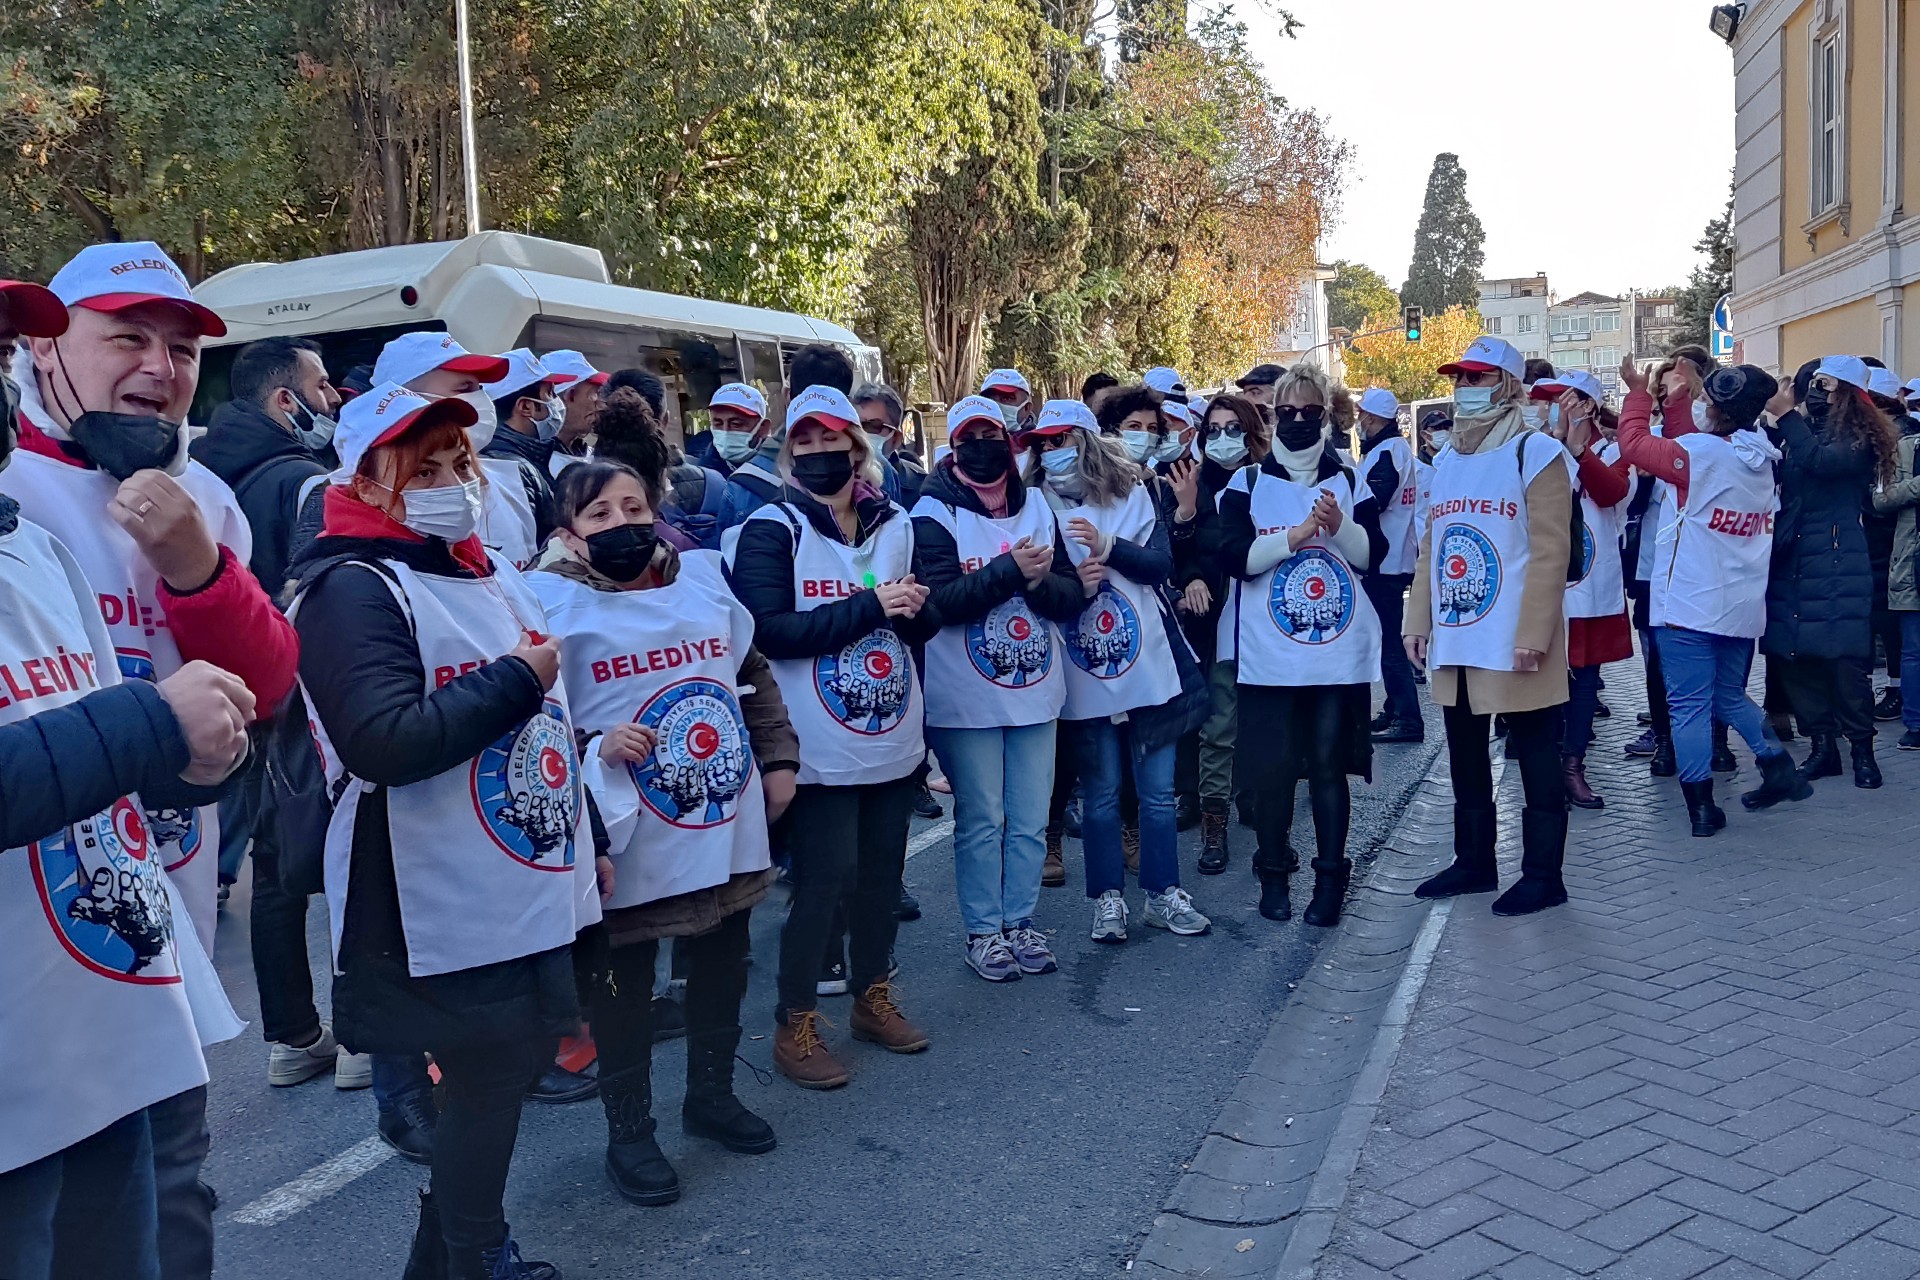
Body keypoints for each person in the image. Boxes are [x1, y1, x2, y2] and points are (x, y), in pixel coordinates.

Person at [5, 243, 299, 1280]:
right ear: (44, 346)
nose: (158, 367)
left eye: (178, 349)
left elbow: (264, 686)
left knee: (167, 1189)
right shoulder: (17, 492)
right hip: (21, 950)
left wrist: (197, 566)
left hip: (148, 914)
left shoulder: (202, 495)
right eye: (126, 336)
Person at [288, 384, 595, 1280]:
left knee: (502, 1073)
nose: (454, 483)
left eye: (459, 465)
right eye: (423, 469)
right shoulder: (348, 587)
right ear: (368, 480)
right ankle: (473, 1253)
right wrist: (514, 680)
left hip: (518, 875)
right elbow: (385, 741)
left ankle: (453, 1251)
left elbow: (552, 723)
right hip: (428, 896)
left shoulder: (482, 567)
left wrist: (591, 845)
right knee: (489, 1080)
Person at [531, 458, 795, 1202]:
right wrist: (592, 748)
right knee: (625, 986)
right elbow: (526, 720)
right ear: (569, 534)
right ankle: (630, 1133)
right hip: (626, 829)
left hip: (722, 817)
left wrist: (778, 757)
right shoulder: (545, 603)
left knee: (723, 958)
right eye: (600, 515)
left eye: (633, 506)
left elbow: (755, 673)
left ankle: (709, 1097)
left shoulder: (703, 581)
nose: (622, 524)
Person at [727, 385, 940, 1083]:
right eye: (805, 442)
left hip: (890, 737)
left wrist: (911, 610)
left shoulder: (895, 524)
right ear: (789, 451)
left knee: (882, 880)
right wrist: (869, 605)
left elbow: (909, 624)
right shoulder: (773, 529)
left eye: (834, 442)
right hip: (815, 749)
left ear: (859, 448)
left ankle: (872, 997)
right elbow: (770, 633)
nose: (821, 454)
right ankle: (796, 1026)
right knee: (822, 885)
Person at [190, 337, 369, 1089]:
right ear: (283, 401)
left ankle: (293, 1036)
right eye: (322, 387)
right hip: (309, 693)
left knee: (275, 863)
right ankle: (363, 1040)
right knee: (350, 851)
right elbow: (317, 594)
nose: (332, 401)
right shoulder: (306, 483)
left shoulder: (196, 477)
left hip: (232, 695)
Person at [1025, 399, 1211, 942]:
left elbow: (1159, 567)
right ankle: (1107, 899)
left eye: (1059, 441)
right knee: (1100, 795)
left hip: (1149, 666)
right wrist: (1067, 579)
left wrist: (1110, 547)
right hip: (1083, 671)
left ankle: (1162, 894)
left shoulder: (1137, 495)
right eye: (1042, 443)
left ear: (1084, 442)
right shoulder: (1035, 505)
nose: (1050, 452)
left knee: (1156, 794)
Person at [913, 395, 1083, 982]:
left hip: (1036, 689)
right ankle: (984, 931)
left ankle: (1022, 922)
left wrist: (1036, 585)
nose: (984, 444)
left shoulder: (1038, 503)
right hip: (965, 699)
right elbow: (939, 604)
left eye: (994, 433)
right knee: (983, 817)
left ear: (1009, 442)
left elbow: (1070, 597)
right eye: (971, 435)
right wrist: (1012, 571)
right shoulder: (932, 512)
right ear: (955, 445)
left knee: (1031, 816)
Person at [1403, 336, 1574, 917]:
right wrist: (1417, 618)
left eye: (1477, 379)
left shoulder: (1537, 453)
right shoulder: (1446, 459)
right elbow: (1431, 549)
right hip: (1458, 631)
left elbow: (1552, 551)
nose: (1464, 390)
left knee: (1534, 755)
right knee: (1465, 754)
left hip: (1514, 634)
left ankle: (1543, 876)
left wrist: (1533, 635)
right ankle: (1474, 862)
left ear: (1506, 385)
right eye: (1460, 379)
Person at [1219, 364, 1385, 926]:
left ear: (1327, 416)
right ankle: (1272, 874)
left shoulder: (1351, 479)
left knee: (1328, 769)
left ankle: (1331, 880)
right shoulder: (1244, 484)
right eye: (1284, 412)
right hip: (1269, 659)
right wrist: (1294, 537)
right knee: (1272, 771)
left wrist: (1339, 526)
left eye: (1308, 412)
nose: (1295, 421)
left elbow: (1373, 558)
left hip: (1336, 658)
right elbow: (1236, 560)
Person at [1616, 358, 1811, 830]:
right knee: (1728, 695)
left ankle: (1701, 808)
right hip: (1740, 605)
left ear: (1718, 411)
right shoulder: (1760, 456)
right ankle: (1777, 767)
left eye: (1705, 400)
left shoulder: (1700, 456)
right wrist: (1680, 399)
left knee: (1688, 708)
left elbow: (1636, 445)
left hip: (1690, 605)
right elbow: (1691, 447)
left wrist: (1639, 393)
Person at [1762, 354, 1898, 788]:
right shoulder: (1802, 431)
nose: (1812, 390)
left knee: (1844, 661)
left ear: (1841, 388)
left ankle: (1862, 753)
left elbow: (1822, 462)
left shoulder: (1858, 437)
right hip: (1795, 558)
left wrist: (1785, 418)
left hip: (1838, 559)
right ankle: (1823, 747)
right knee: (1795, 656)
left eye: (1821, 382)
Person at [1534, 370, 1633, 808]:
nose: (1553, 407)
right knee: (1543, 679)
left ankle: (1573, 766)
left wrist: (1578, 451)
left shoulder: (1613, 450)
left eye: (1564, 399)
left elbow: (1612, 493)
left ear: (1589, 406)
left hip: (1590, 585)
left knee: (1585, 682)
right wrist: (1556, 444)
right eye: (1550, 400)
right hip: (1546, 583)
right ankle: (1544, 766)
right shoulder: (1537, 449)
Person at [1187, 393, 1272, 871]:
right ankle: (1212, 825)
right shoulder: (1192, 483)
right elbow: (1182, 549)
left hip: (1271, 622)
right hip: (1220, 622)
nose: (1222, 439)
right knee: (1219, 726)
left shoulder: (1271, 480)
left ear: (1251, 431)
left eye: (1232, 429)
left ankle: (1261, 807)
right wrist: (1192, 576)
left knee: (1263, 723)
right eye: (1212, 430)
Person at [1354, 387, 1423, 743]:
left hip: (1384, 562)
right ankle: (1396, 710)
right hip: (1393, 558)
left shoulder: (1386, 453)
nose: (1359, 420)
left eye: (1363, 414)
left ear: (1375, 418)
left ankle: (1408, 719)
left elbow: (1372, 503)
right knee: (1388, 638)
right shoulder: (1394, 450)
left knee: (1390, 644)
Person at [478, 348, 564, 567]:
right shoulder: (511, 468)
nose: (557, 403)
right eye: (550, 394)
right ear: (527, 407)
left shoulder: (523, 458)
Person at [1874, 375, 1920, 750]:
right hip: (1911, 562)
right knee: (1913, 647)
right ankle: (1916, 724)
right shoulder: (1906, 448)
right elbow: (1882, 498)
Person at [1865, 365, 1908, 720]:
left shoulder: (1895, 436)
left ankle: (1896, 688)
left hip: (1888, 540)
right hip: (1888, 539)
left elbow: (1883, 496)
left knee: (1888, 619)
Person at [540, 350, 608, 472]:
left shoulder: (590, 454)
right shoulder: (533, 459)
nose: (601, 404)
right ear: (570, 395)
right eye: (595, 393)